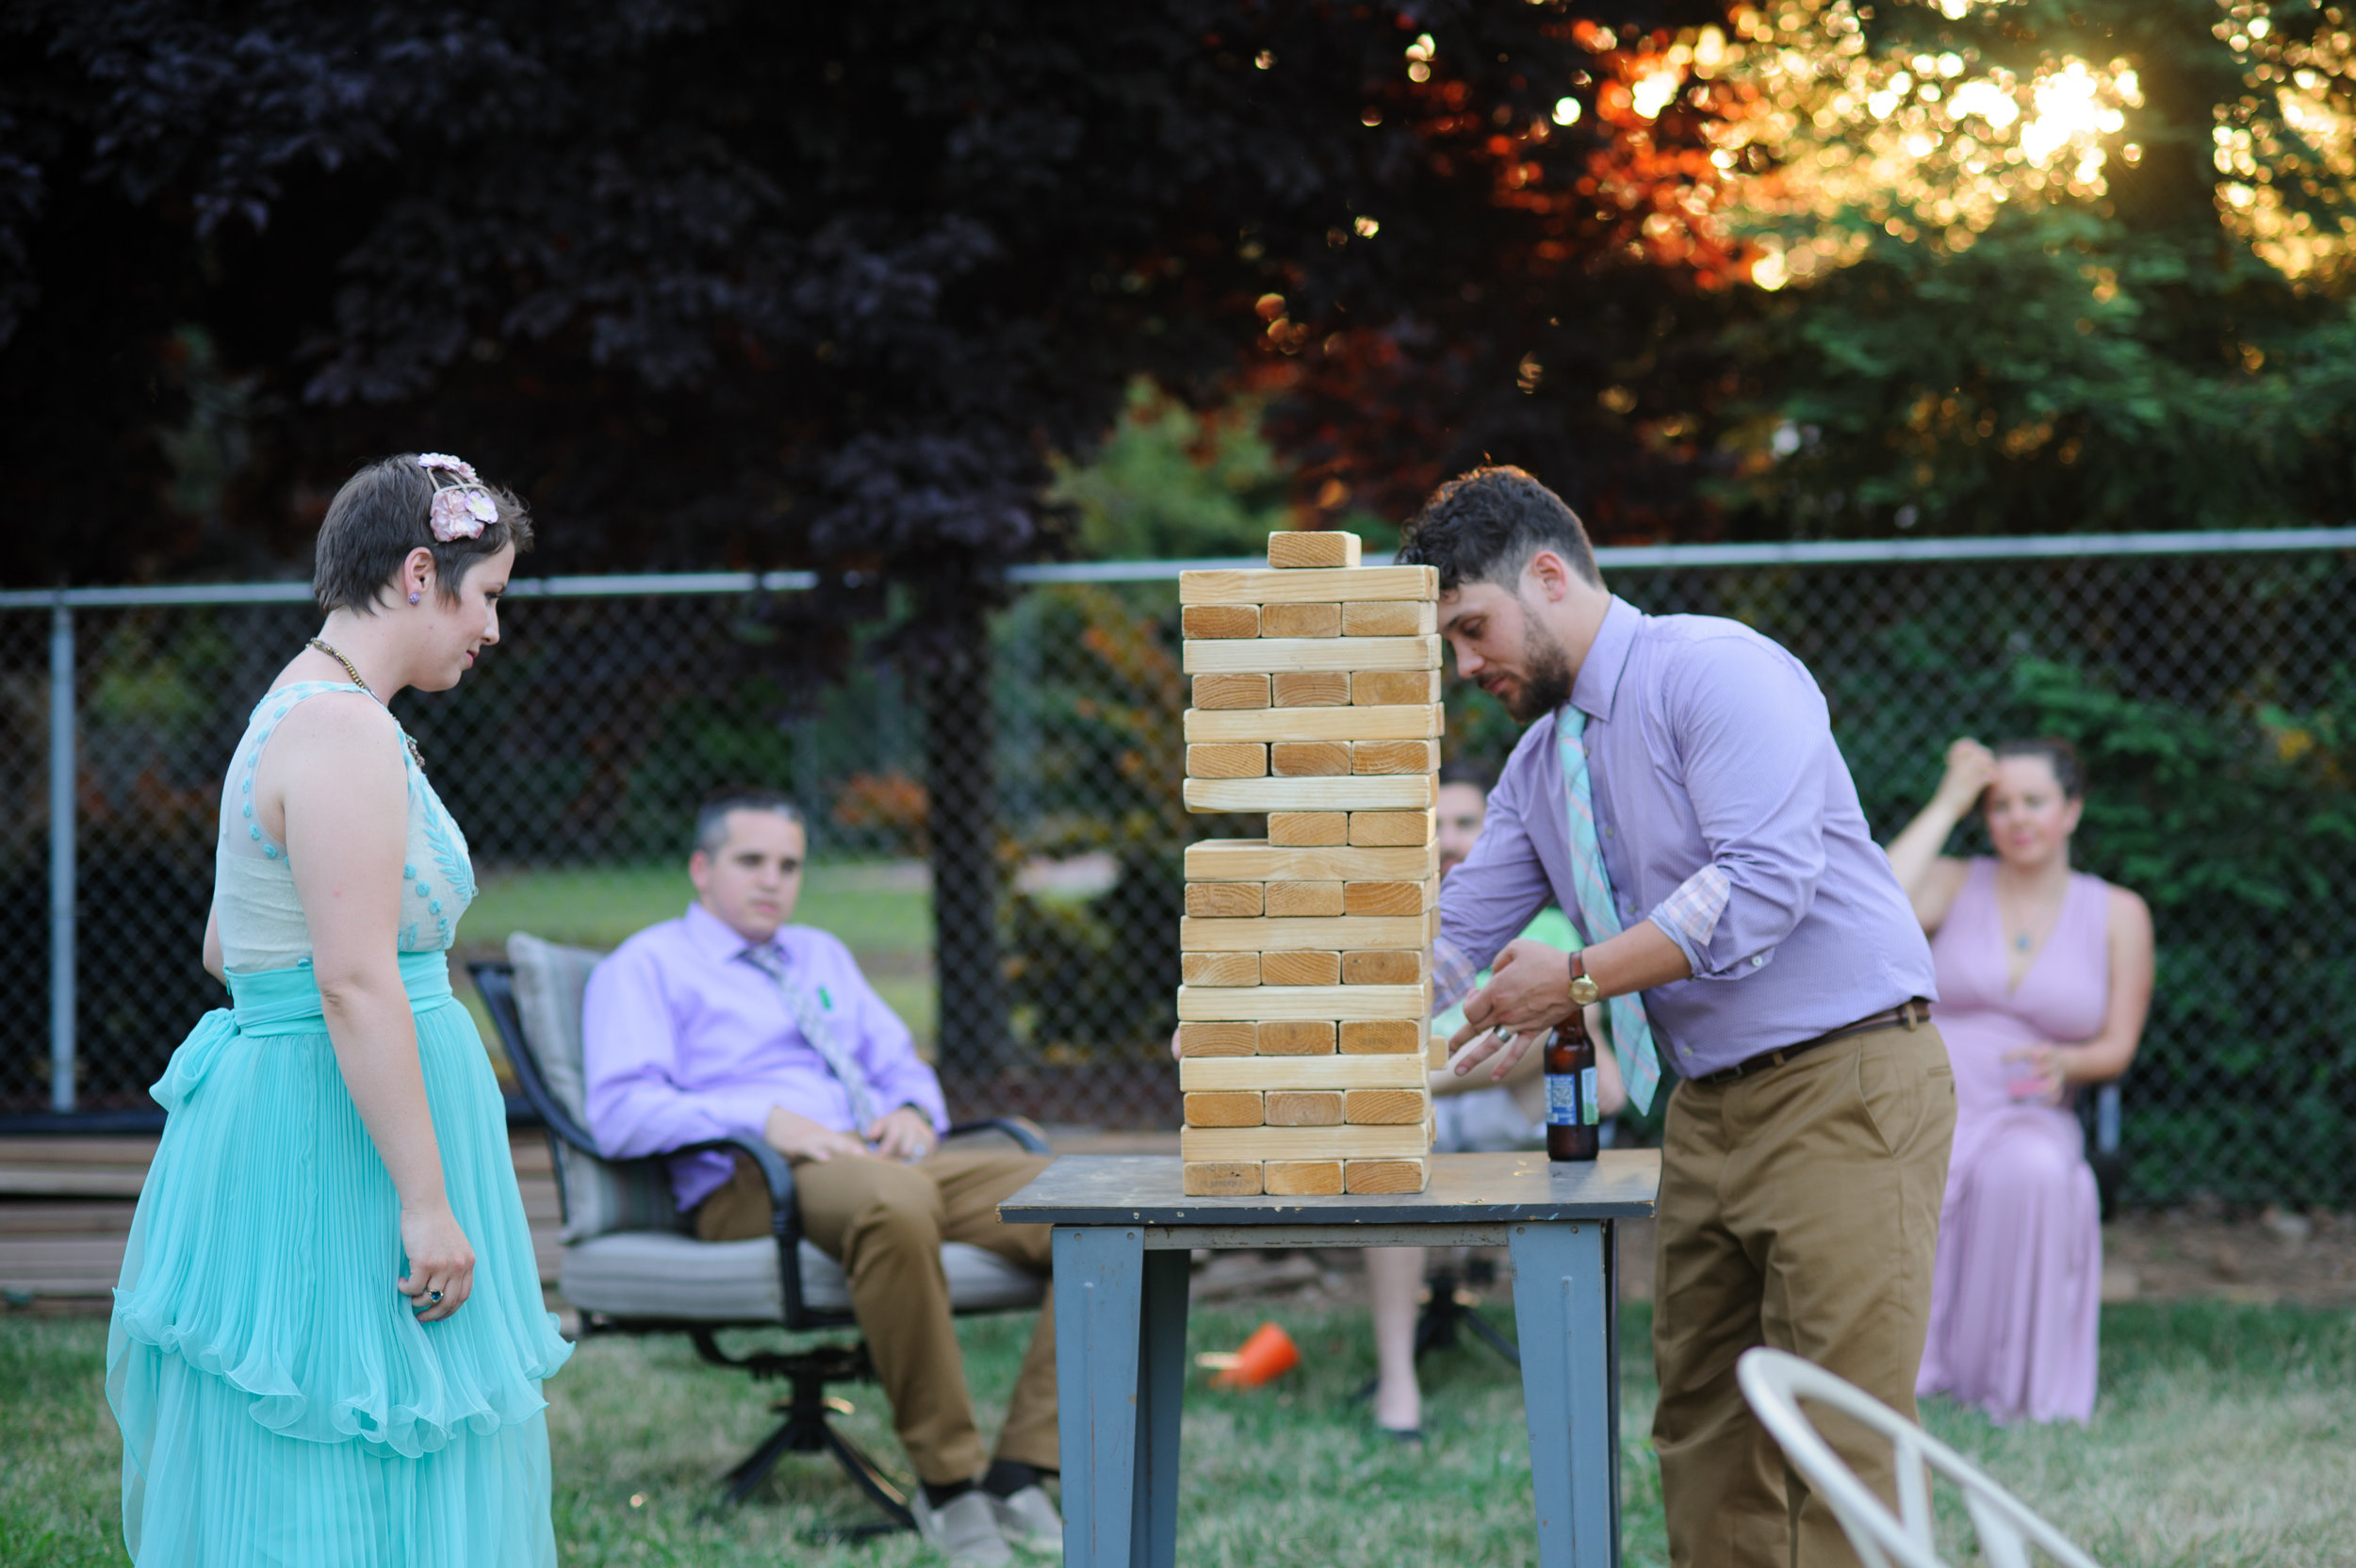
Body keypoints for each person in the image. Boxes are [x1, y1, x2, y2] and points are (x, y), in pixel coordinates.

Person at [1414, 467, 1952, 1568]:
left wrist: (1571, 981)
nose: (1464, 666)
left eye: (1471, 627)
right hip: (1702, 1111)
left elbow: (1756, 883)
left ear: (1549, 574)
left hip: (1844, 1080)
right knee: (1702, 1429)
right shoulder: (1534, 766)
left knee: (1843, 1435)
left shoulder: (1718, 671)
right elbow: (1450, 942)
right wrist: (1270, 1014)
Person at [107, 453, 571, 1565]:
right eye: (489, 594)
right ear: (421, 571)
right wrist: (424, 1197)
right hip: (340, 1123)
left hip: (319, 1093)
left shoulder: (308, 708)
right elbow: (354, 979)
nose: (493, 630)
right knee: (341, 1434)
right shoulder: (342, 728)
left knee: (356, 1427)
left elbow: (231, 942)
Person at [581, 790, 1057, 1568]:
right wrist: (765, 1119)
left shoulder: (820, 955)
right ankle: (950, 1487)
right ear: (702, 870)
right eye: (751, 862)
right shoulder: (646, 967)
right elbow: (621, 1110)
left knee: (1093, 1202)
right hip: (753, 1184)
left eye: (789, 865)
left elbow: (897, 1060)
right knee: (894, 1199)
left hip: (883, 1157)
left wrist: (908, 1107)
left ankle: (1022, 1470)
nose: (772, 880)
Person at [1884, 737, 2153, 1425]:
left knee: (2032, 1172)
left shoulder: (2119, 913)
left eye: (2035, 802)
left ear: (2072, 811)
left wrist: (2069, 1063)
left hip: (2031, 1108)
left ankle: (2007, 1386)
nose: (2018, 819)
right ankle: (1907, 1375)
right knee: (1909, 1167)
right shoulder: (1953, 881)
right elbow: (1874, 906)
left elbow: (2119, 1046)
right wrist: (1948, 800)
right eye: (2000, 806)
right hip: (1932, 1099)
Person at [1363, 762, 1623, 1441]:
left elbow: (1574, 1033)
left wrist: (1427, 1073)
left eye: (1464, 824)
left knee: (1568, 1028)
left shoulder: (1546, 925)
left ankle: (1572, 1364)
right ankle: (1399, 1383)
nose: (1448, 840)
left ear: (1494, 836)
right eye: (1434, 826)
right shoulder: (1387, 922)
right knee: (1392, 1141)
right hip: (1415, 1117)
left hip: (1503, 1101)